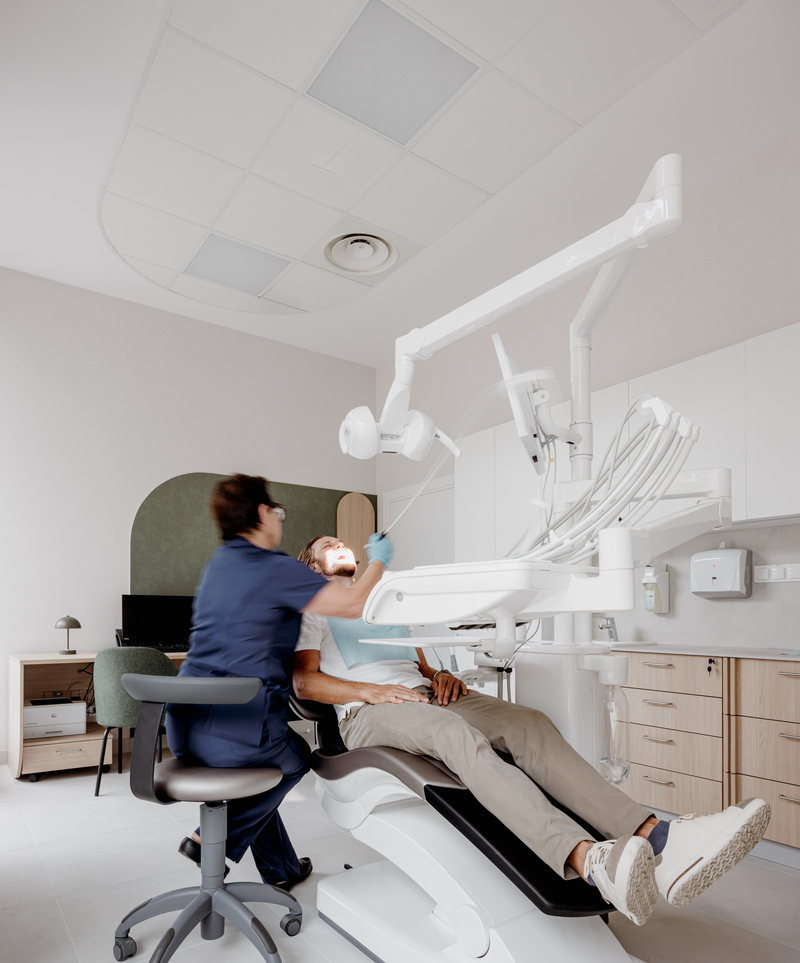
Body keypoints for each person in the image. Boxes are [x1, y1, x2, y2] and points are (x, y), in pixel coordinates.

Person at [293, 534, 771, 926]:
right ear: (312, 567)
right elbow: (304, 681)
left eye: (343, 541)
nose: (342, 546)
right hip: (365, 712)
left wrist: (439, 675)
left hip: (421, 694)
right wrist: (372, 693)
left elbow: (419, 661)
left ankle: (660, 837)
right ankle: (587, 859)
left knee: (527, 724)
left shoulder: (386, 596)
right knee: (455, 736)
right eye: (328, 545)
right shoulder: (313, 604)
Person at [165, 476, 392, 890]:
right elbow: (352, 603)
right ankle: (213, 842)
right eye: (278, 512)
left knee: (261, 776)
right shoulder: (277, 570)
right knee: (292, 758)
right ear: (263, 513)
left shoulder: (219, 565)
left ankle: (282, 870)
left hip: (183, 724)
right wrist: (378, 560)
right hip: (234, 728)